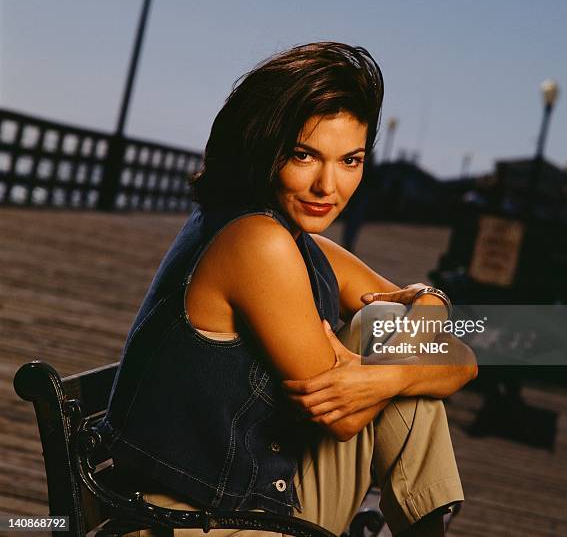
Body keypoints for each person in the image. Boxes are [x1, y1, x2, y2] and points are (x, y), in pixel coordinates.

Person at [100, 42, 478, 537]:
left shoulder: (298, 242)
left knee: (387, 332)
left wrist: (402, 347)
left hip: (251, 502)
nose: (328, 185)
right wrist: (399, 365)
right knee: (392, 343)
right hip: (193, 523)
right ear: (264, 147)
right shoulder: (257, 242)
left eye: (350, 160)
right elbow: (340, 416)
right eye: (304, 156)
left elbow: (463, 359)